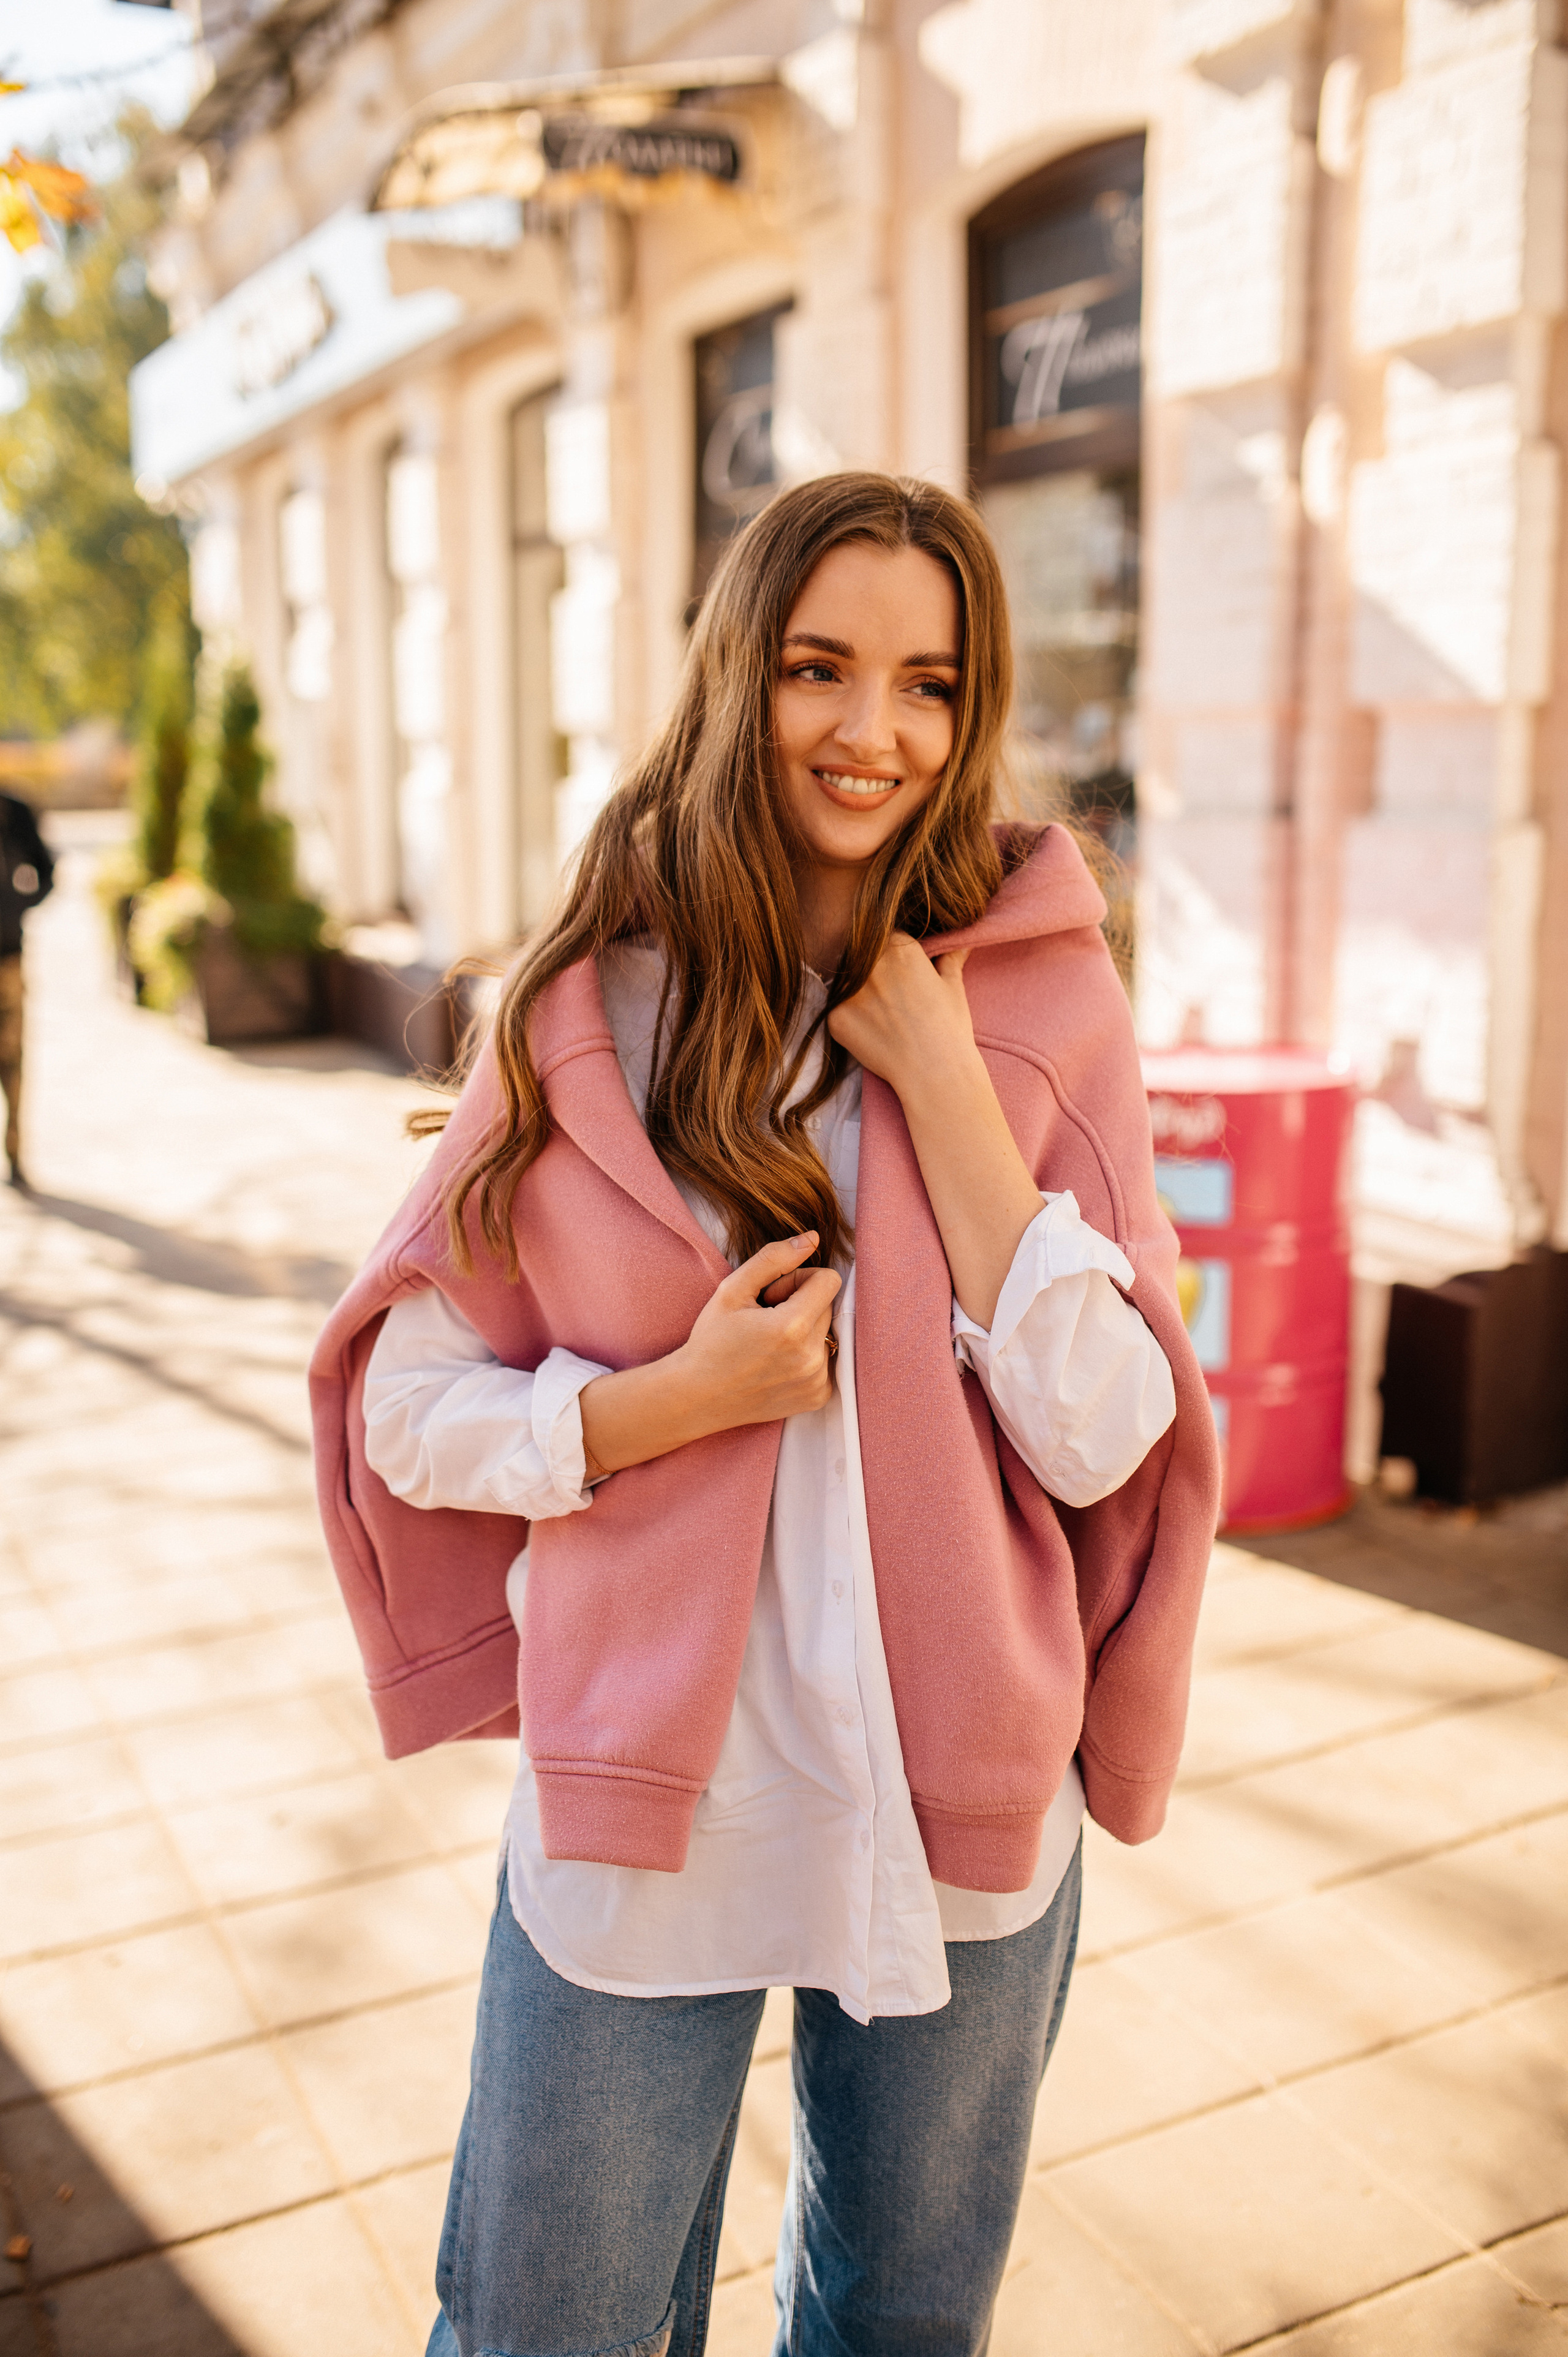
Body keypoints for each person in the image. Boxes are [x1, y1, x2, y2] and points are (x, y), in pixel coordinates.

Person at [311, 472, 1219, 2357]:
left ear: (972, 712)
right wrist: (662, 1405)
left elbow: (1106, 1431)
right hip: (651, 1789)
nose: (871, 731)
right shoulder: (587, 1010)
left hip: (956, 1794)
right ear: (743, 675)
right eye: (821, 668)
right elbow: (405, 1403)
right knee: (535, 2322)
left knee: (897, 2326)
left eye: (928, 684)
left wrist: (951, 1100)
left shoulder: (1045, 997)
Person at [0, 787, 56, 1190]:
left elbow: (47, 872)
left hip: (6, 956)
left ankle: (15, 1150)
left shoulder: (14, 810)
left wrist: (17, 907)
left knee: (12, 1056)